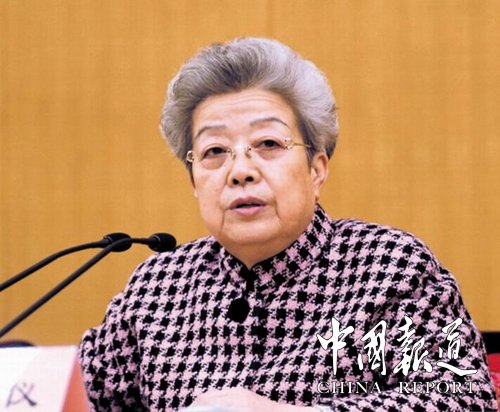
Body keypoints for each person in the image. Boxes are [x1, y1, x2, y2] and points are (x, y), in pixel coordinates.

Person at [79, 38, 497, 411]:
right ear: (193, 181)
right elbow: (75, 395)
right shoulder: (156, 288)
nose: (240, 171)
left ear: (317, 169)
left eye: (268, 144)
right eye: (214, 151)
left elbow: (465, 400)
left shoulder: (388, 268)